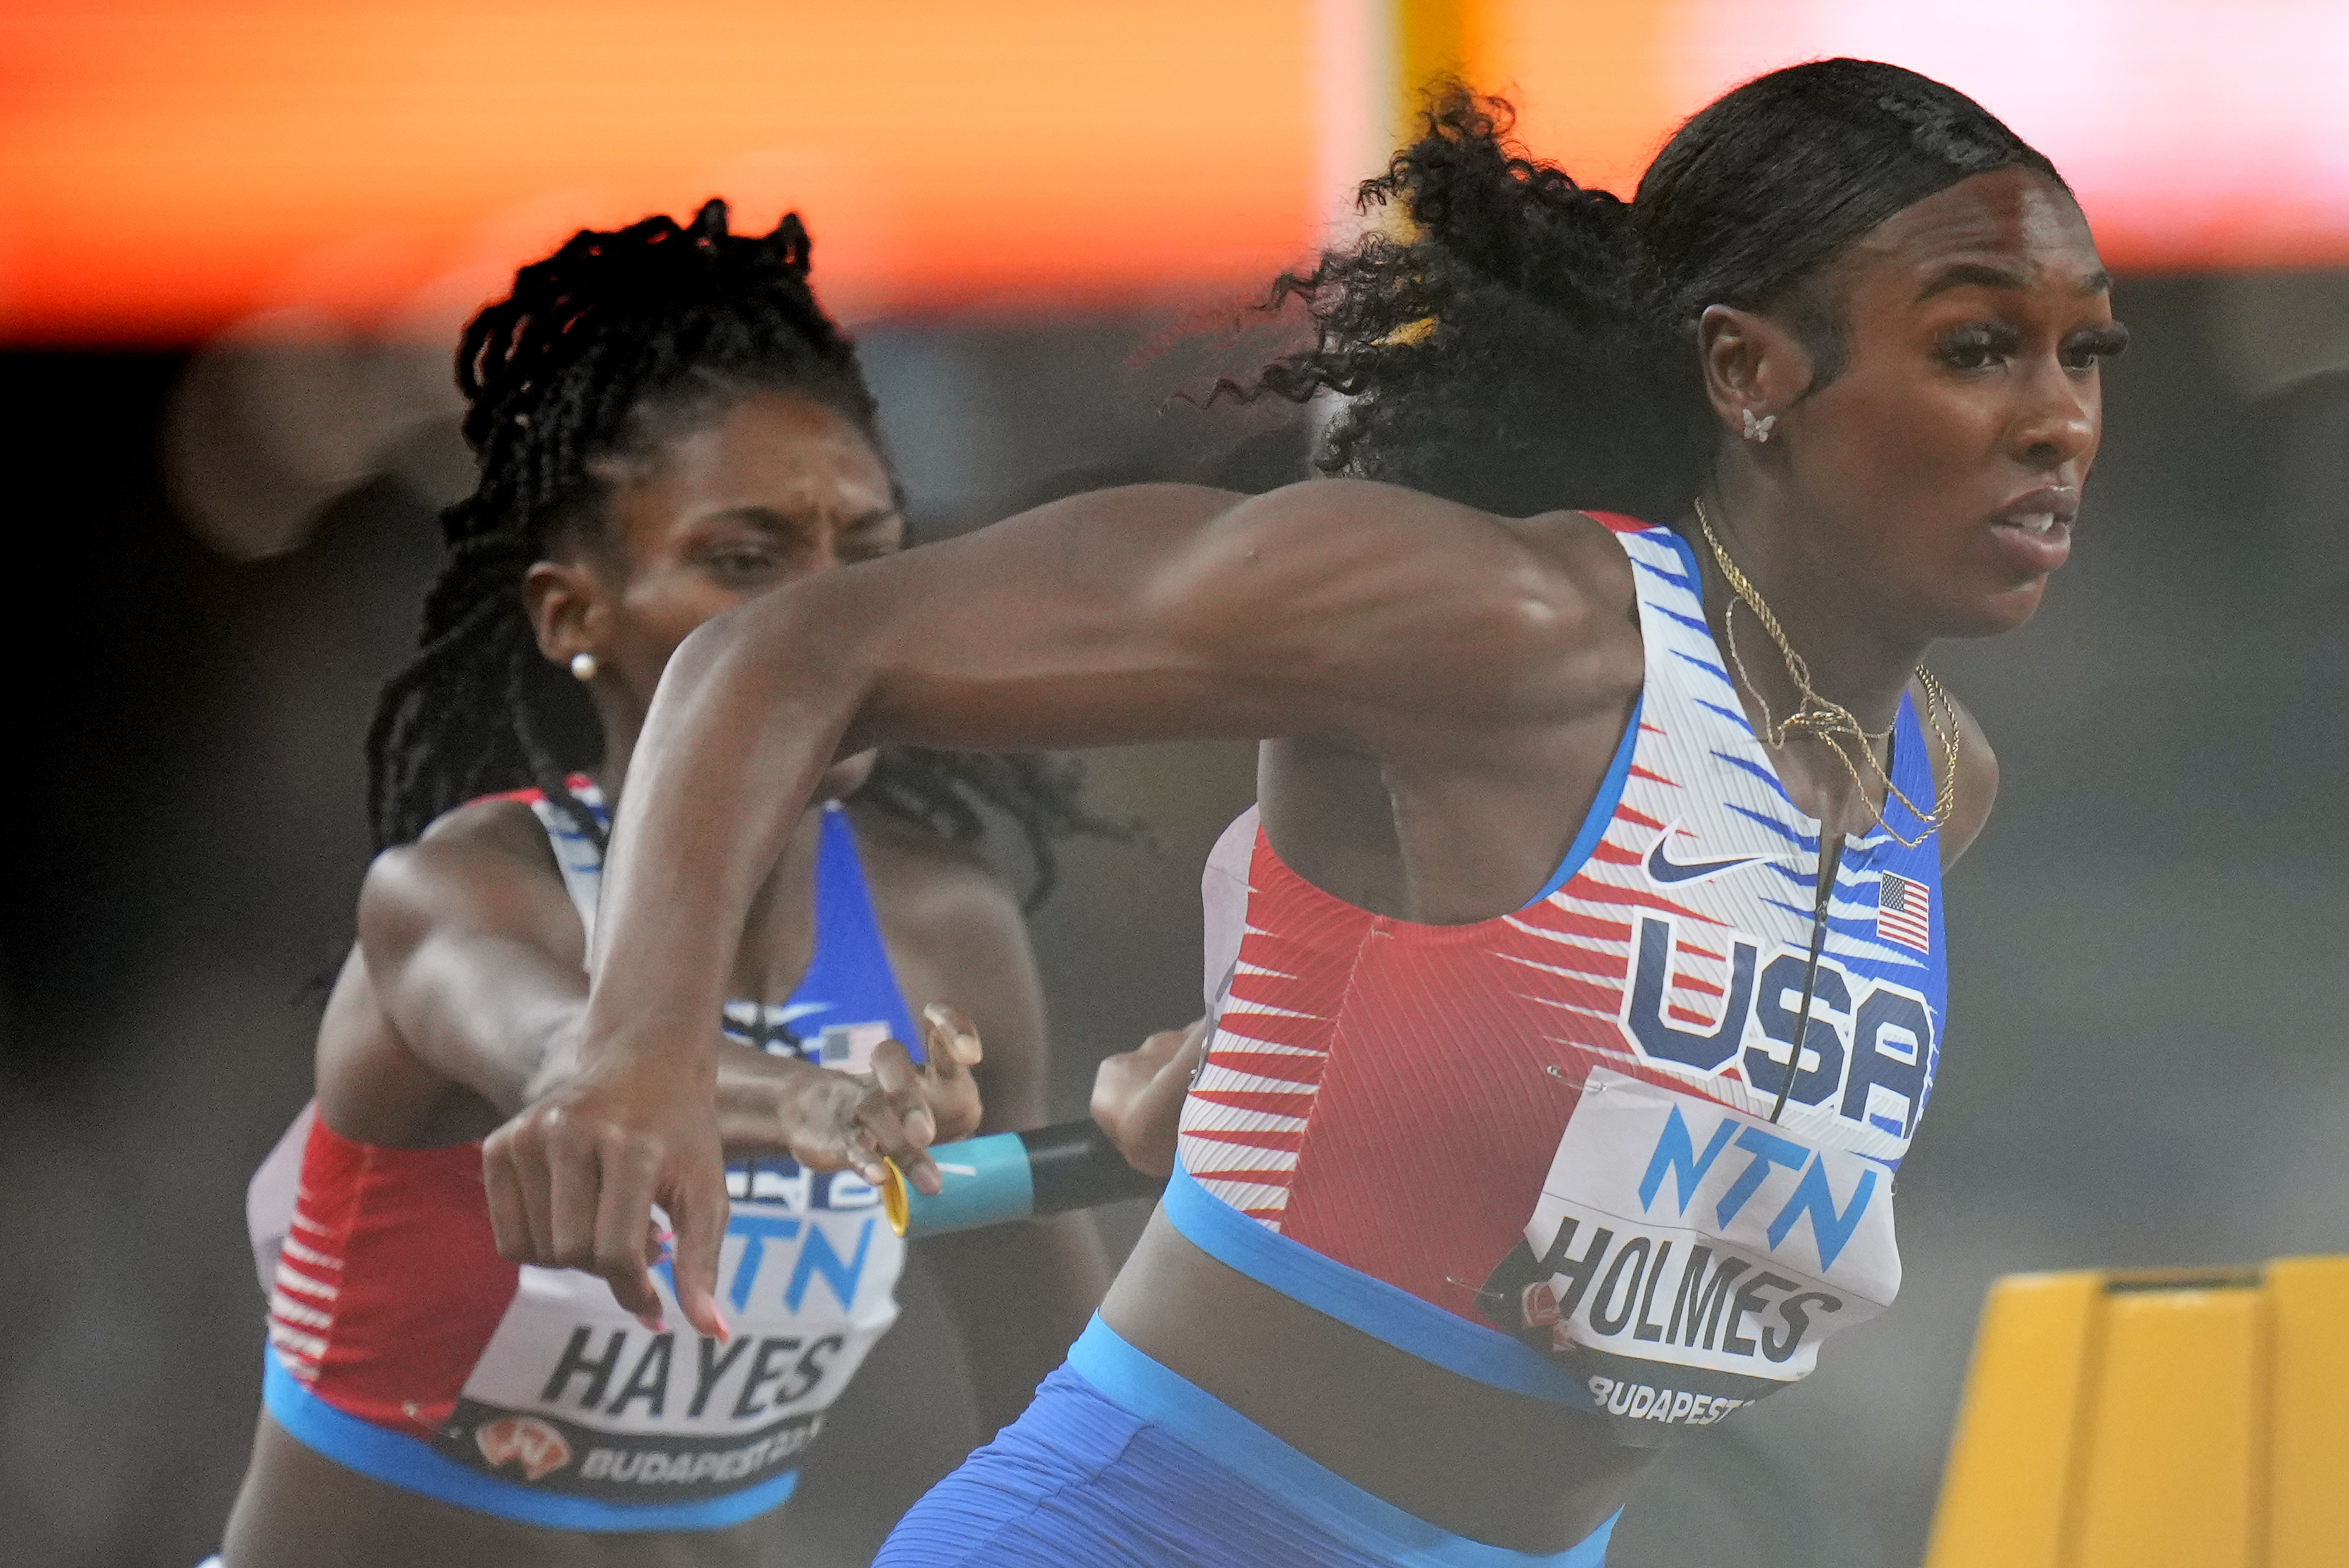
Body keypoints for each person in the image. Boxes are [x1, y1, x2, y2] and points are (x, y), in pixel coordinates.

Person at [490, 60, 2128, 1563]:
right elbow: (794, 648)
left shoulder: (1934, 783)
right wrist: (629, 1037)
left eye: (2084, 354)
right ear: (1745, 368)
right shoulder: (1501, 626)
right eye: (1979, 346)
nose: (2058, 418)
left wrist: (1294, 1075)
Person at [217, 201, 1110, 1568]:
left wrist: (1193, 1153)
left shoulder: (942, 939)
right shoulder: (461, 897)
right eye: (745, 562)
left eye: (866, 559)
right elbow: (576, 1065)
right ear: (573, 616)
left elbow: (1063, 1428)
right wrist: (806, 1102)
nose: (825, 627)